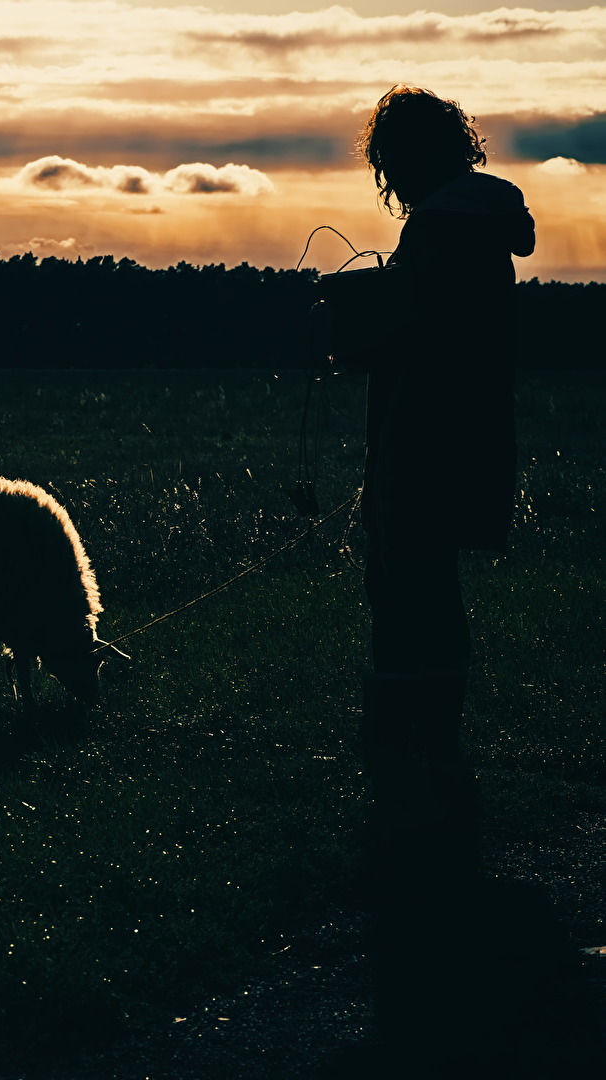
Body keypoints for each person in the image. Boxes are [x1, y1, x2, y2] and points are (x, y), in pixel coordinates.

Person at [347, 86, 540, 1067]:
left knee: (406, 591)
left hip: (425, 448)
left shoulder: (438, 232)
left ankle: (408, 766)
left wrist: (358, 329)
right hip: (468, 444)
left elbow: (421, 342)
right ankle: (431, 758)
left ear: (403, 158)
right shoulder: (478, 221)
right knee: (432, 599)